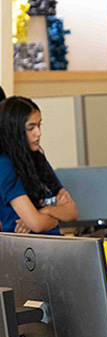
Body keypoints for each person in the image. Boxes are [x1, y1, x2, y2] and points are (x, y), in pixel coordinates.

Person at [0, 96, 78, 234]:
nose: (38, 133)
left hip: (54, 245)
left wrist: (45, 211)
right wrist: (57, 215)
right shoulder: (5, 166)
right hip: (26, 251)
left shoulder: (37, 157)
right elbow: (37, 224)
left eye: (39, 125)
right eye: (31, 128)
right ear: (14, 132)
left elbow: (72, 212)